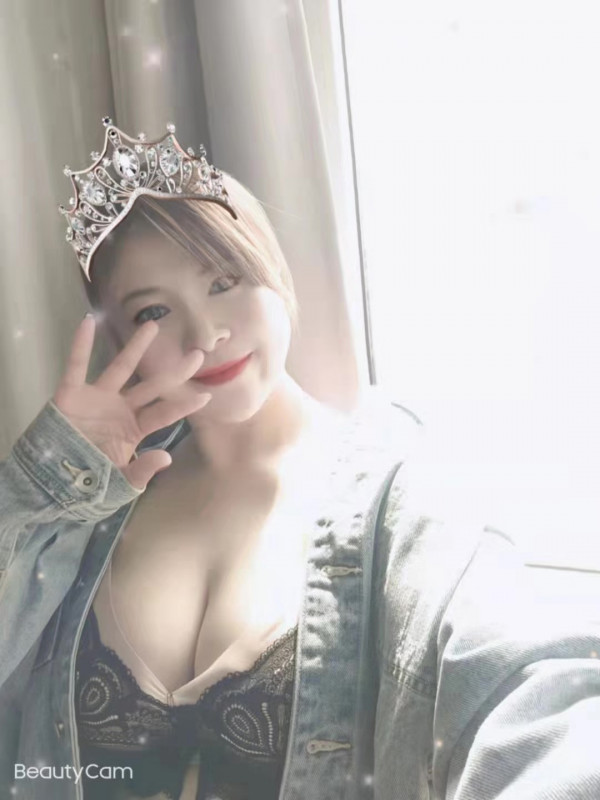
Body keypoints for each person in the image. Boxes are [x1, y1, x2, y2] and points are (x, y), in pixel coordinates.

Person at [0, 119, 599, 800]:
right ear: (119, 341)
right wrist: (42, 484)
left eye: (225, 280)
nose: (207, 332)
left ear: (274, 272)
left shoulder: (400, 500)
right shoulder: (84, 508)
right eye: (154, 312)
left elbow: (524, 685)